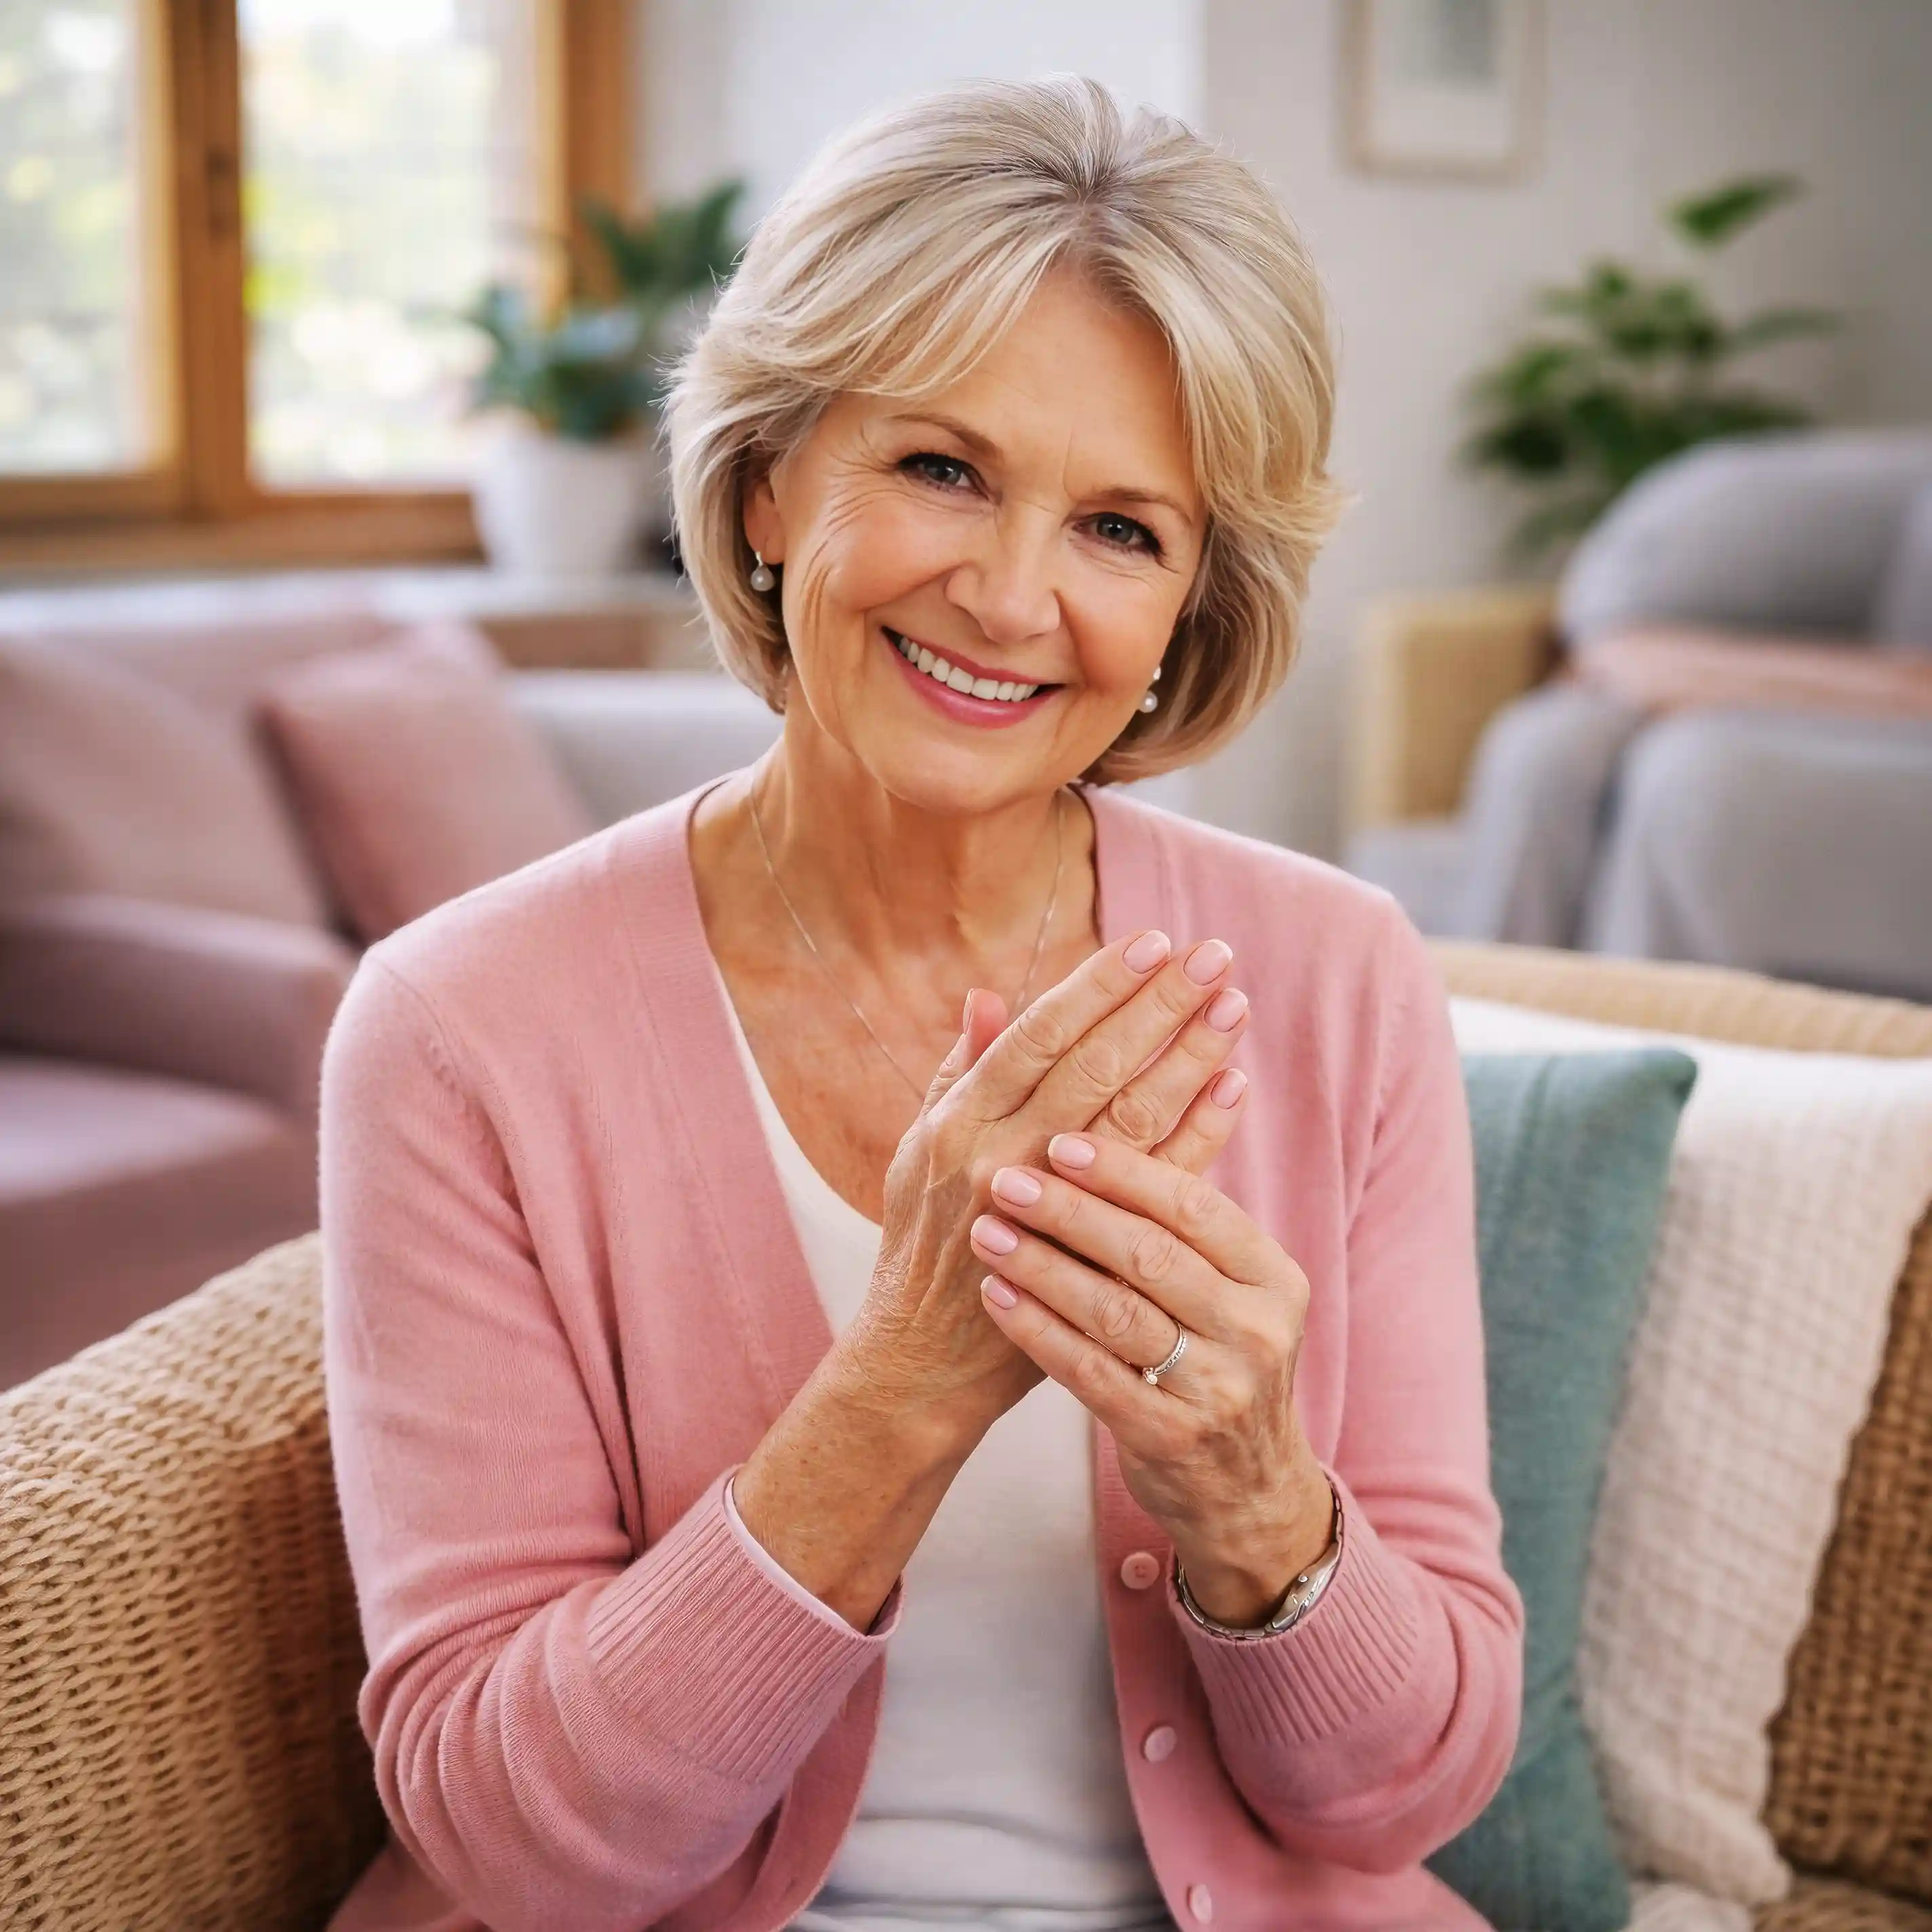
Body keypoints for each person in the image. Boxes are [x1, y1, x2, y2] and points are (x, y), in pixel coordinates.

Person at [320, 75, 1524, 1932]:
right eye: (942, 468)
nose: (1012, 594)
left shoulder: (1338, 978)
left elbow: (1410, 1793)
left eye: (1123, 528)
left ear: (1193, 607)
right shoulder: (462, 1028)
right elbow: (514, 1845)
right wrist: (896, 1392)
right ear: (770, 482)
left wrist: (1255, 1505)